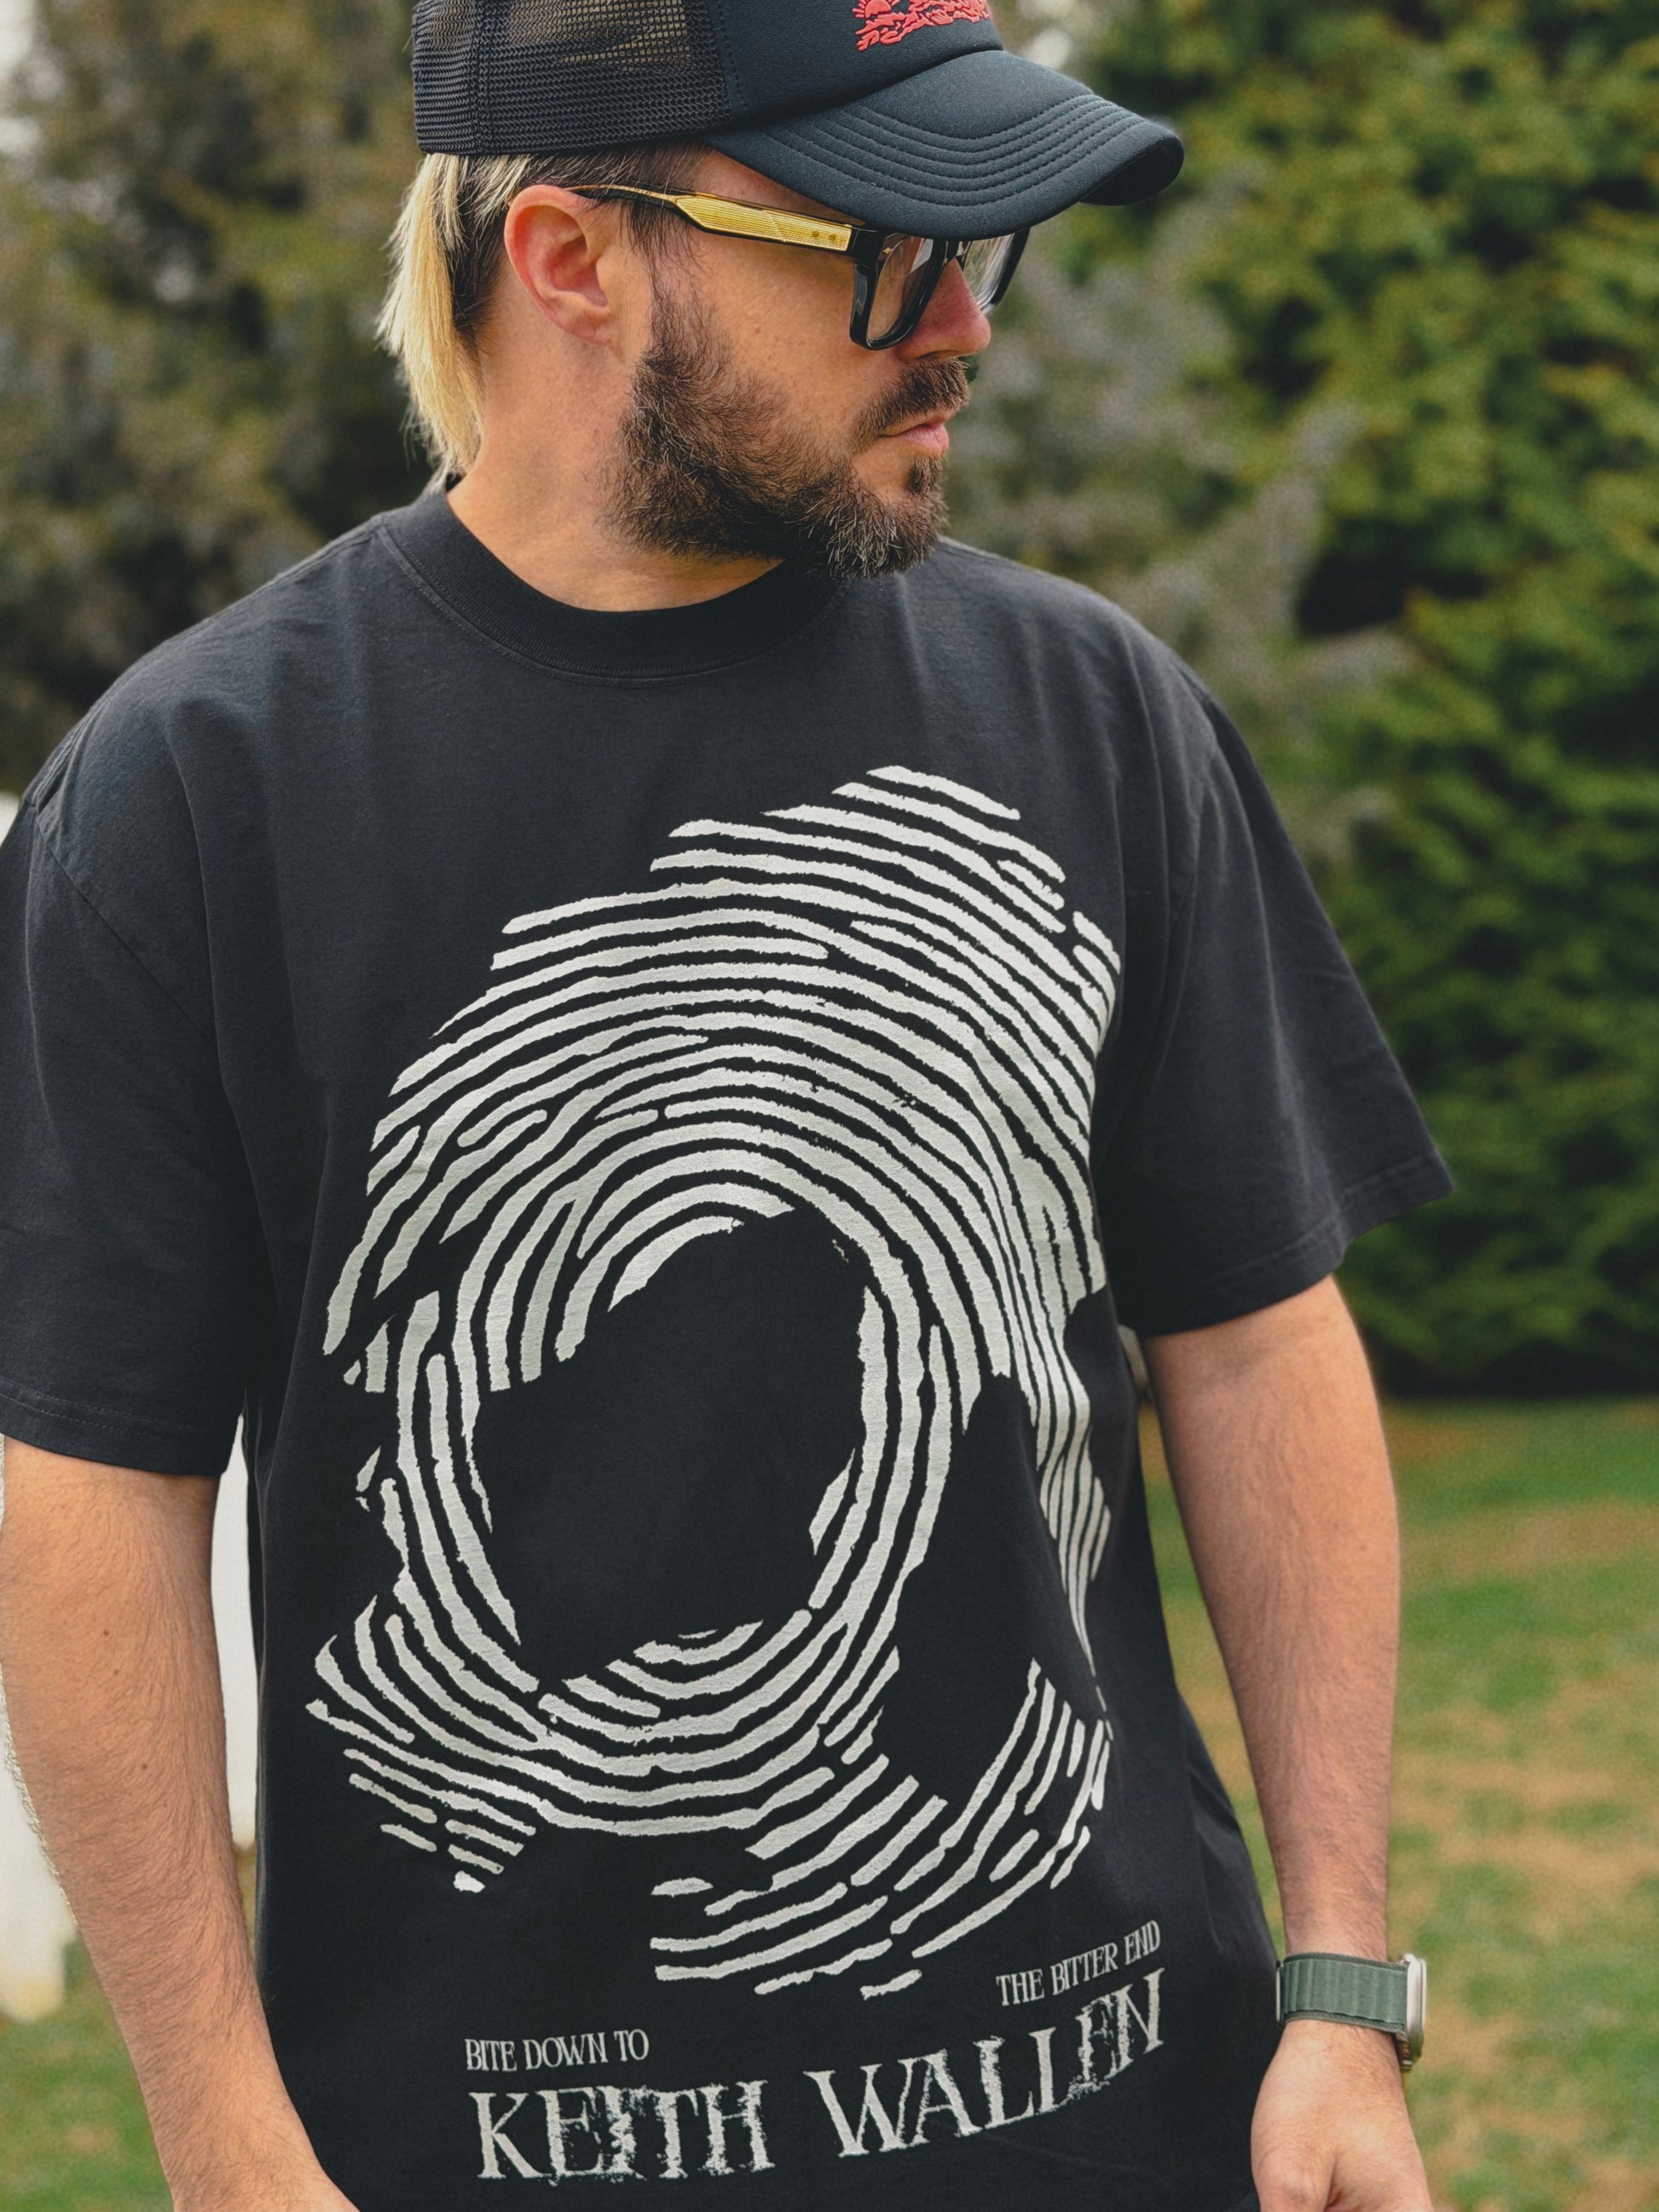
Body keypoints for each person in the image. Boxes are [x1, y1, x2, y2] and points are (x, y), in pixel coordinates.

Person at [0, 3, 1449, 2208]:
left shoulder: (1094, 713)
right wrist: (224, 2142)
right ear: (571, 257)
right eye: (882, 249)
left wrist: (1338, 1992)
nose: (962, 326)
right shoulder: (199, 795)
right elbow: (89, 1483)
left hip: (1128, 2123)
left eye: (986, 249)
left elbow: (1255, 1344)